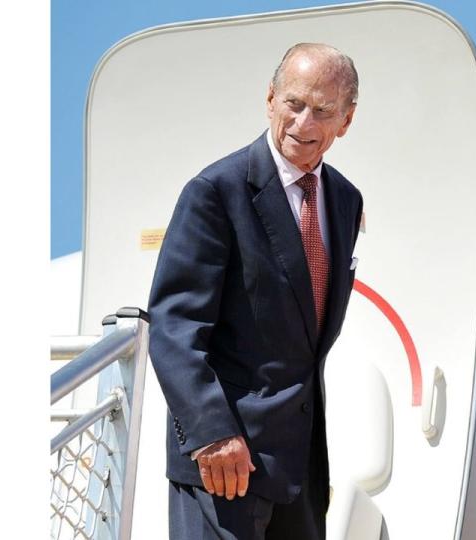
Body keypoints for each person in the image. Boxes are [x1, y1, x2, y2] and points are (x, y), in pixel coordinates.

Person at [148, 42, 363, 539]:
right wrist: (211, 433)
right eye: (294, 103)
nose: (304, 124)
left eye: (323, 111)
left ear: (346, 121)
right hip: (223, 460)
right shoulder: (214, 192)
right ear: (270, 99)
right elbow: (175, 326)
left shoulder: (345, 200)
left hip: (301, 466)